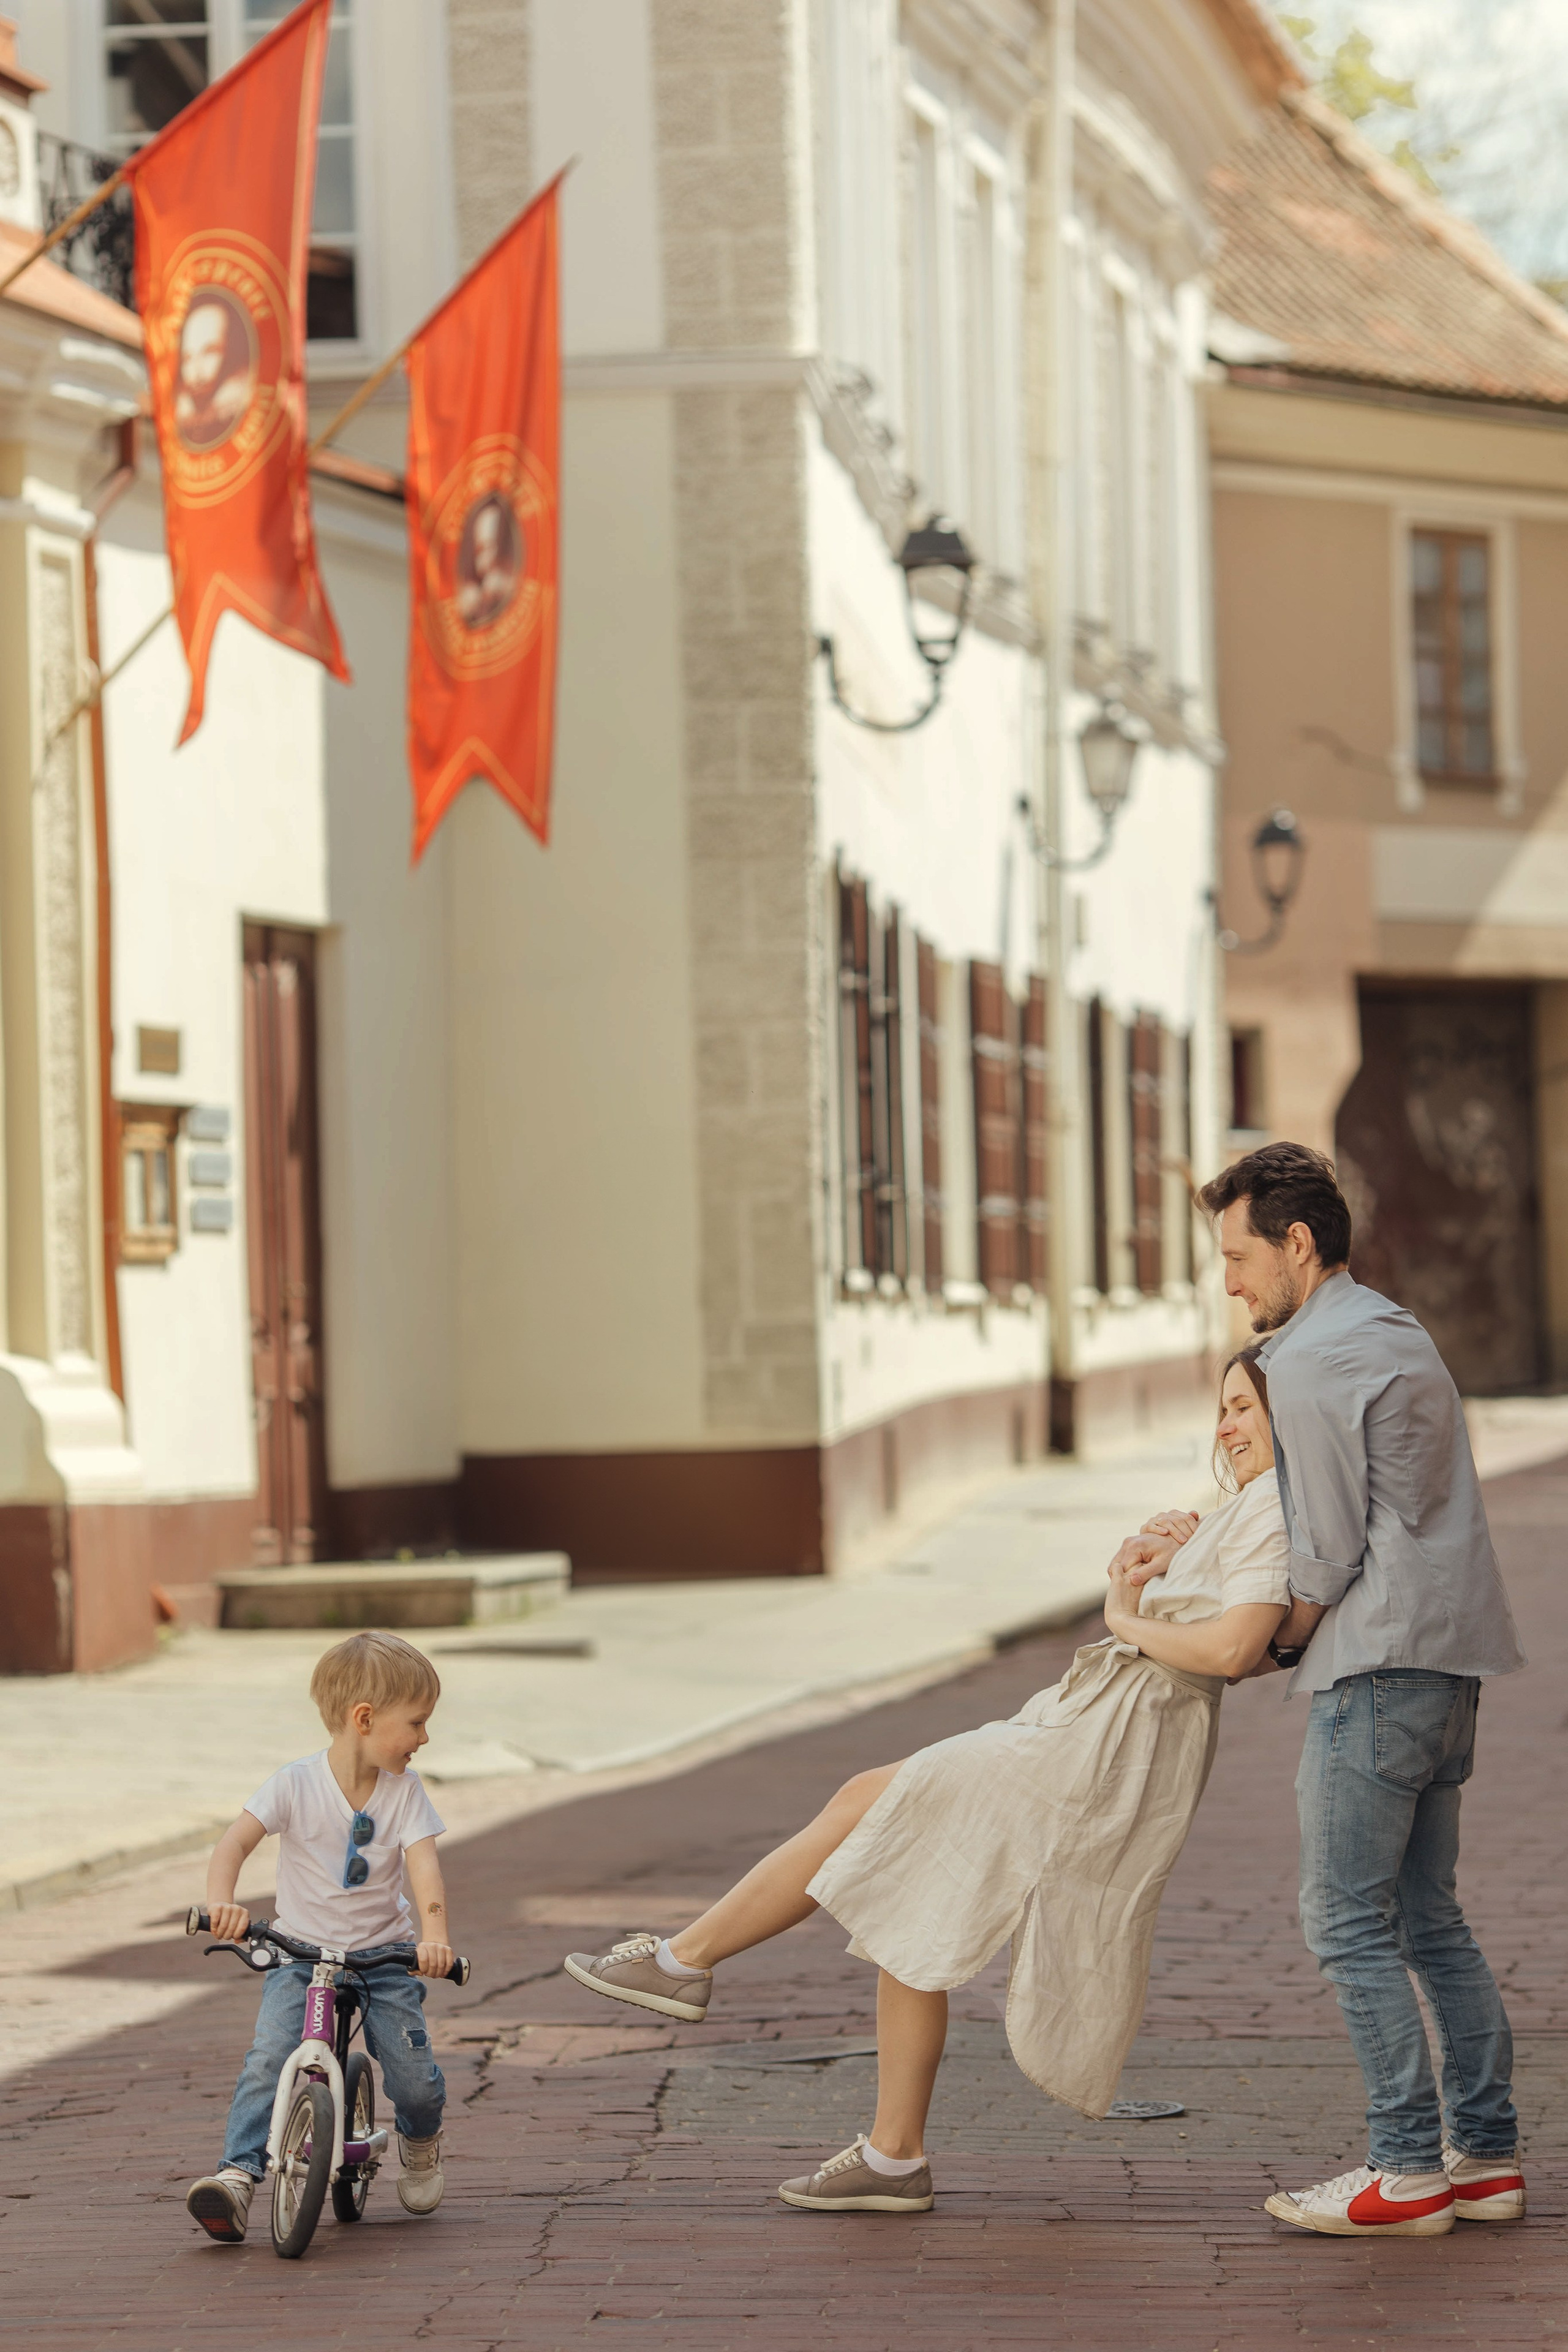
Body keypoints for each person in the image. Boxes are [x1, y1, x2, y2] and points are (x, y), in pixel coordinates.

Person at [562, 1352, 1293, 2214]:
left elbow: (1232, 1652)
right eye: (1223, 1409)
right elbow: (1191, 1624)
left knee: (877, 1803)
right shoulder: (1248, 1509)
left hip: (1101, 1747)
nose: (1226, 1427)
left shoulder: (1280, 1512)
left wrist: (1124, 1615)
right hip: (1083, 1726)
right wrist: (1139, 1574)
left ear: (1295, 1411)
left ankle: (685, 1962)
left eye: (1244, 1408)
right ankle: (892, 2152)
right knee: (905, 1876)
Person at [1134, 1142, 1526, 2238]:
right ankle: (1485, 2159)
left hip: (1381, 1665)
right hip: (1452, 1659)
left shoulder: (1307, 1359)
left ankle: (1405, 2173)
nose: (1230, 1283)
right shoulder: (1394, 1328)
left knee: (1345, 1923)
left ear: (1296, 1243)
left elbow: (1327, 1545)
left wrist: (1265, 1644)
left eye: (1237, 1256)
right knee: (1428, 1917)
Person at [184, 1630, 456, 2244]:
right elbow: (234, 1843)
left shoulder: (405, 1793)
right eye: (416, 1723)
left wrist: (434, 1938)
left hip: (382, 1958)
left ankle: (419, 2140)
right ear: (365, 1719)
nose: (424, 1739)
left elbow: (424, 1868)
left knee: (413, 2073)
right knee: (270, 2056)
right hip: (299, 1954)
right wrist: (222, 1902)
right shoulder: (294, 1784)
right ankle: (236, 2176)